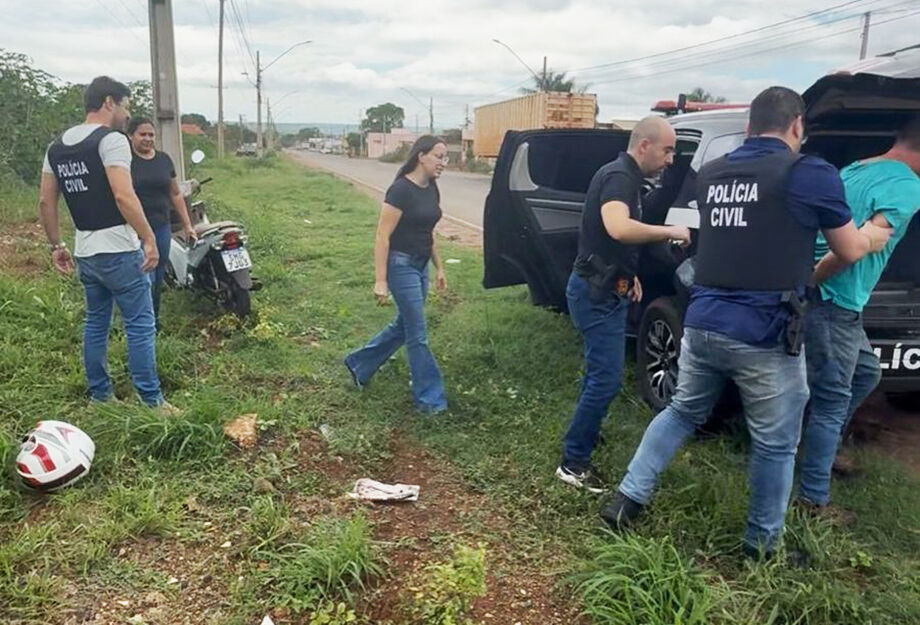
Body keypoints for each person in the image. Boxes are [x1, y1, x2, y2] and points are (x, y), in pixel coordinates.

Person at [604, 86, 892, 558]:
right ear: (796, 125)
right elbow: (848, 250)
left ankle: (627, 499)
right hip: (764, 333)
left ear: (749, 126)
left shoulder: (713, 173)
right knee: (776, 444)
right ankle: (762, 546)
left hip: (702, 322)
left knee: (680, 411)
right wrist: (874, 234)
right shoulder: (808, 172)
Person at [555, 116, 692, 493]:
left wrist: (629, 275)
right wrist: (669, 231)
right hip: (595, 295)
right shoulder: (620, 177)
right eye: (667, 151)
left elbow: (608, 241)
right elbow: (617, 227)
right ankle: (572, 464)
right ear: (644, 146)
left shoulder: (624, 176)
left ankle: (584, 432)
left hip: (605, 287)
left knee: (597, 374)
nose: (670, 160)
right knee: (606, 379)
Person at [797, 115, 920, 509]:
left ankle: (819, 443)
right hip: (834, 300)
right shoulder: (907, 186)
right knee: (832, 399)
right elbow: (855, 248)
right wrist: (814, 279)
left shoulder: (855, 169)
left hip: (837, 302)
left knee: (866, 372)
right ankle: (812, 499)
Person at [37, 76, 177, 413]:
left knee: (96, 323)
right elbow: (123, 196)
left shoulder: (56, 147)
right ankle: (151, 401)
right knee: (140, 324)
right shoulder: (111, 140)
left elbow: (45, 201)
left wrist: (56, 246)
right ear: (109, 102)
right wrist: (148, 238)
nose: (127, 115)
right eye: (125, 107)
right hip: (119, 250)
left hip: (86, 252)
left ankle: (100, 397)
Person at [343, 135, 450, 413]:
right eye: (439, 156)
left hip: (421, 266)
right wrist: (381, 280)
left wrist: (439, 267)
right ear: (421, 156)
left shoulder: (431, 188)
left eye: (445, 157)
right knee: (417, 333)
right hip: (400, 266)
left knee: (404, 326)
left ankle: (358, 364)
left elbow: (429, 232)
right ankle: (430, 400)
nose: (443, 163)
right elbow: (382, 236)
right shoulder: (400, 190)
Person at [127, 116, 197, 325]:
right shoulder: (125, 162)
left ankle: (153, 320)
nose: (148, 139)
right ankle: (140, 322)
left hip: (161, 227)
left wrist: (188, 225)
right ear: (130, 136)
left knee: (158, 275)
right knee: (143, 276)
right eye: (142, 134)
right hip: (135, 229)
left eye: (151, 135)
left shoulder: (164, 160)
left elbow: (175, 194)